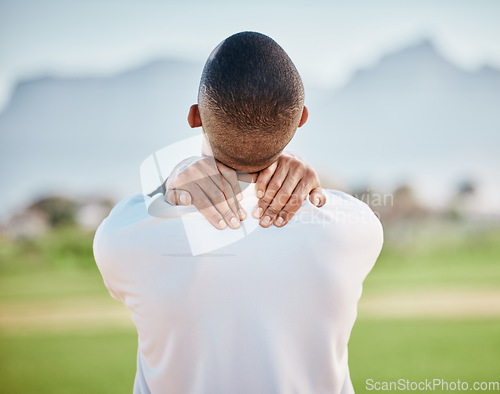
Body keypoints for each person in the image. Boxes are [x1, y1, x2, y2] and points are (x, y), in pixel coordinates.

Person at [93, 31, 383, 394]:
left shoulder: (123, 238)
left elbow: (141, 211)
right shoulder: (355, 229)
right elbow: (338, 205)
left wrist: (173, 177)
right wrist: (306, 171)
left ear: (194, 117)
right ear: (301, 119)